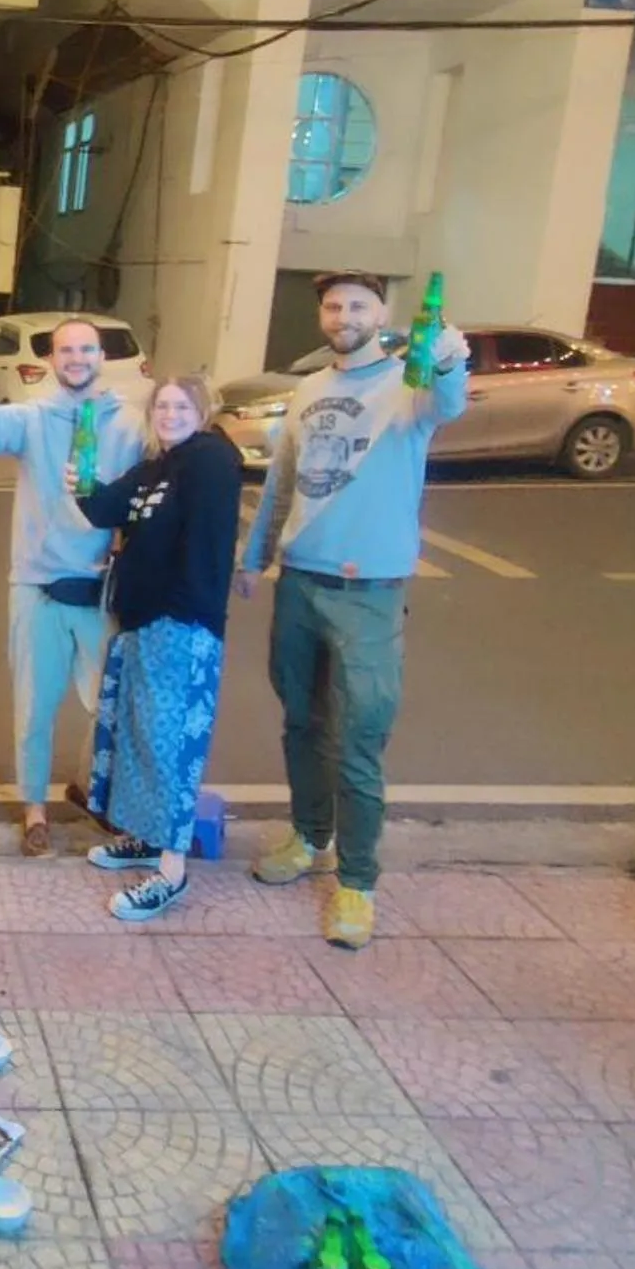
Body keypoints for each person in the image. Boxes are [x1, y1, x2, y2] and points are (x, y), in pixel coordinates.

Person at [241, 270, 469, 949]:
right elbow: (283, 480)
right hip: (300, 582)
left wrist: (452, 358)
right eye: (334, 305)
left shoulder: (412, 383)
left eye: (358, 305)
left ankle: (358, 884)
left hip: (369, 592)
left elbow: (450, 403)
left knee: (361, 741)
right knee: (302, 722)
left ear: (382, 314)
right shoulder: (310, 390)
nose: (344, 314)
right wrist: (256, 558)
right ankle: (309, 838)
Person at [0, 317, 146, 857]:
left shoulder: (130, 424)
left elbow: (147, 491)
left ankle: (95, 790)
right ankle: (35, 809)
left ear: (101, 355)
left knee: (110, 704)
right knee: (35, 707)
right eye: (66, 350)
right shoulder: (35, 418)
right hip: (37, 583)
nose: (77, 359)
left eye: (86, 349)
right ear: (51, 361)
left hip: (101, 587)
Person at [69, 374, 246, 922]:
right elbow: (103, 510)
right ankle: (144, 837)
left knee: (170, 746)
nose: (169, 414)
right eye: (162, 406)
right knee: (136, 736)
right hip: (140, 621)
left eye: (180, 405)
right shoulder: (155, 466)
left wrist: (178, 610)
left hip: (180, 623)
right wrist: (82, 481)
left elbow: (204, 546)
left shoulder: (210, 459)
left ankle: (171, 871)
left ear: (203, 409)